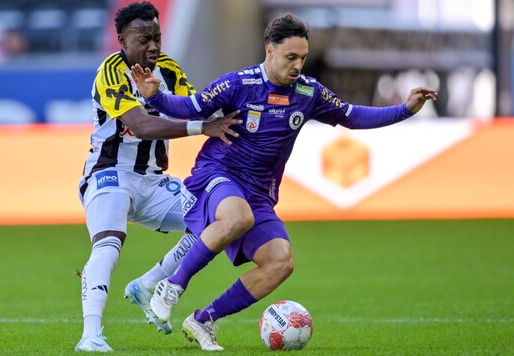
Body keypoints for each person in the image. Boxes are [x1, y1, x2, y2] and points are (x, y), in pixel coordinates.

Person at [132, 13, 437, 351]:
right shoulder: (239, 83)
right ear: (269, 51)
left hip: (259, 192)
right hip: (219, 174)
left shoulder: (308, 92)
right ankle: (172, 286)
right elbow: (191, 107)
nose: (298, 65)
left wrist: (406, 109)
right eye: (291, 57)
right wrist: (155, 97)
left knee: (281, 260)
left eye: (303, 58)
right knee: (237, 217)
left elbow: (352, 116)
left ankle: (203, 319)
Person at [75, 2, 241, 352]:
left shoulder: (168, 68)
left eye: (157, 37)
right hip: (109, 175)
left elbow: (195, 104)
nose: (153, 46)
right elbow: (141, 125)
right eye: (143, 39)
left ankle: (148, 283)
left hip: (153, 181)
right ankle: (91, 335)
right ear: (121, 40)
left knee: (214, 219)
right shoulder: (110, 71)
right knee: (108, 244)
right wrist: (202, 128)